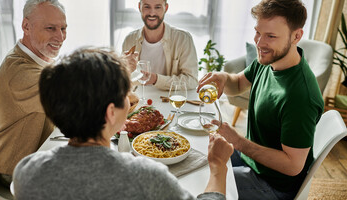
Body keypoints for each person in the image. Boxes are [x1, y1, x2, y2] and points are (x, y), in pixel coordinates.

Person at [12, 48, 234, 200]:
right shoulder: (146, 177)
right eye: (125, 95)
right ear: (110, 113)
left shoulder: (26, 171)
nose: (129, 100)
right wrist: (217, 168)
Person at [197, 0, 324, 200]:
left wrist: (238, 142)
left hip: (272, 186)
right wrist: (222, 77)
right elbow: (237, 84)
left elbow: (293, 165)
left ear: (296, 36)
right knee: (195, 163)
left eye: (271, 36)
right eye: (258, 32)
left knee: (203, 182)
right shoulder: (269, 59)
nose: (260, 42)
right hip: (252, 161)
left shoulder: (301, 96)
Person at [0, 0, 67, 185]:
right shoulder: (19, 71)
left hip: (38, 156)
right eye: (50, 28)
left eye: (63, 28)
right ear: (26, 26)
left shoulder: (38, 58)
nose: (60, 37)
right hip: (15, 171)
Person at [122, 0, 198, 90]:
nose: (152, 13)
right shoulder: (129, 40)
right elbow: (123, 83)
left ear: (165, 8)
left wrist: (156, 79)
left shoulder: (183, 39)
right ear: (139, 7)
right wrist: (124, 70)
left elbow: (192, 80)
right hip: (139, 103)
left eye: (157, 7)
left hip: (169, 101)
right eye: (147, 7)